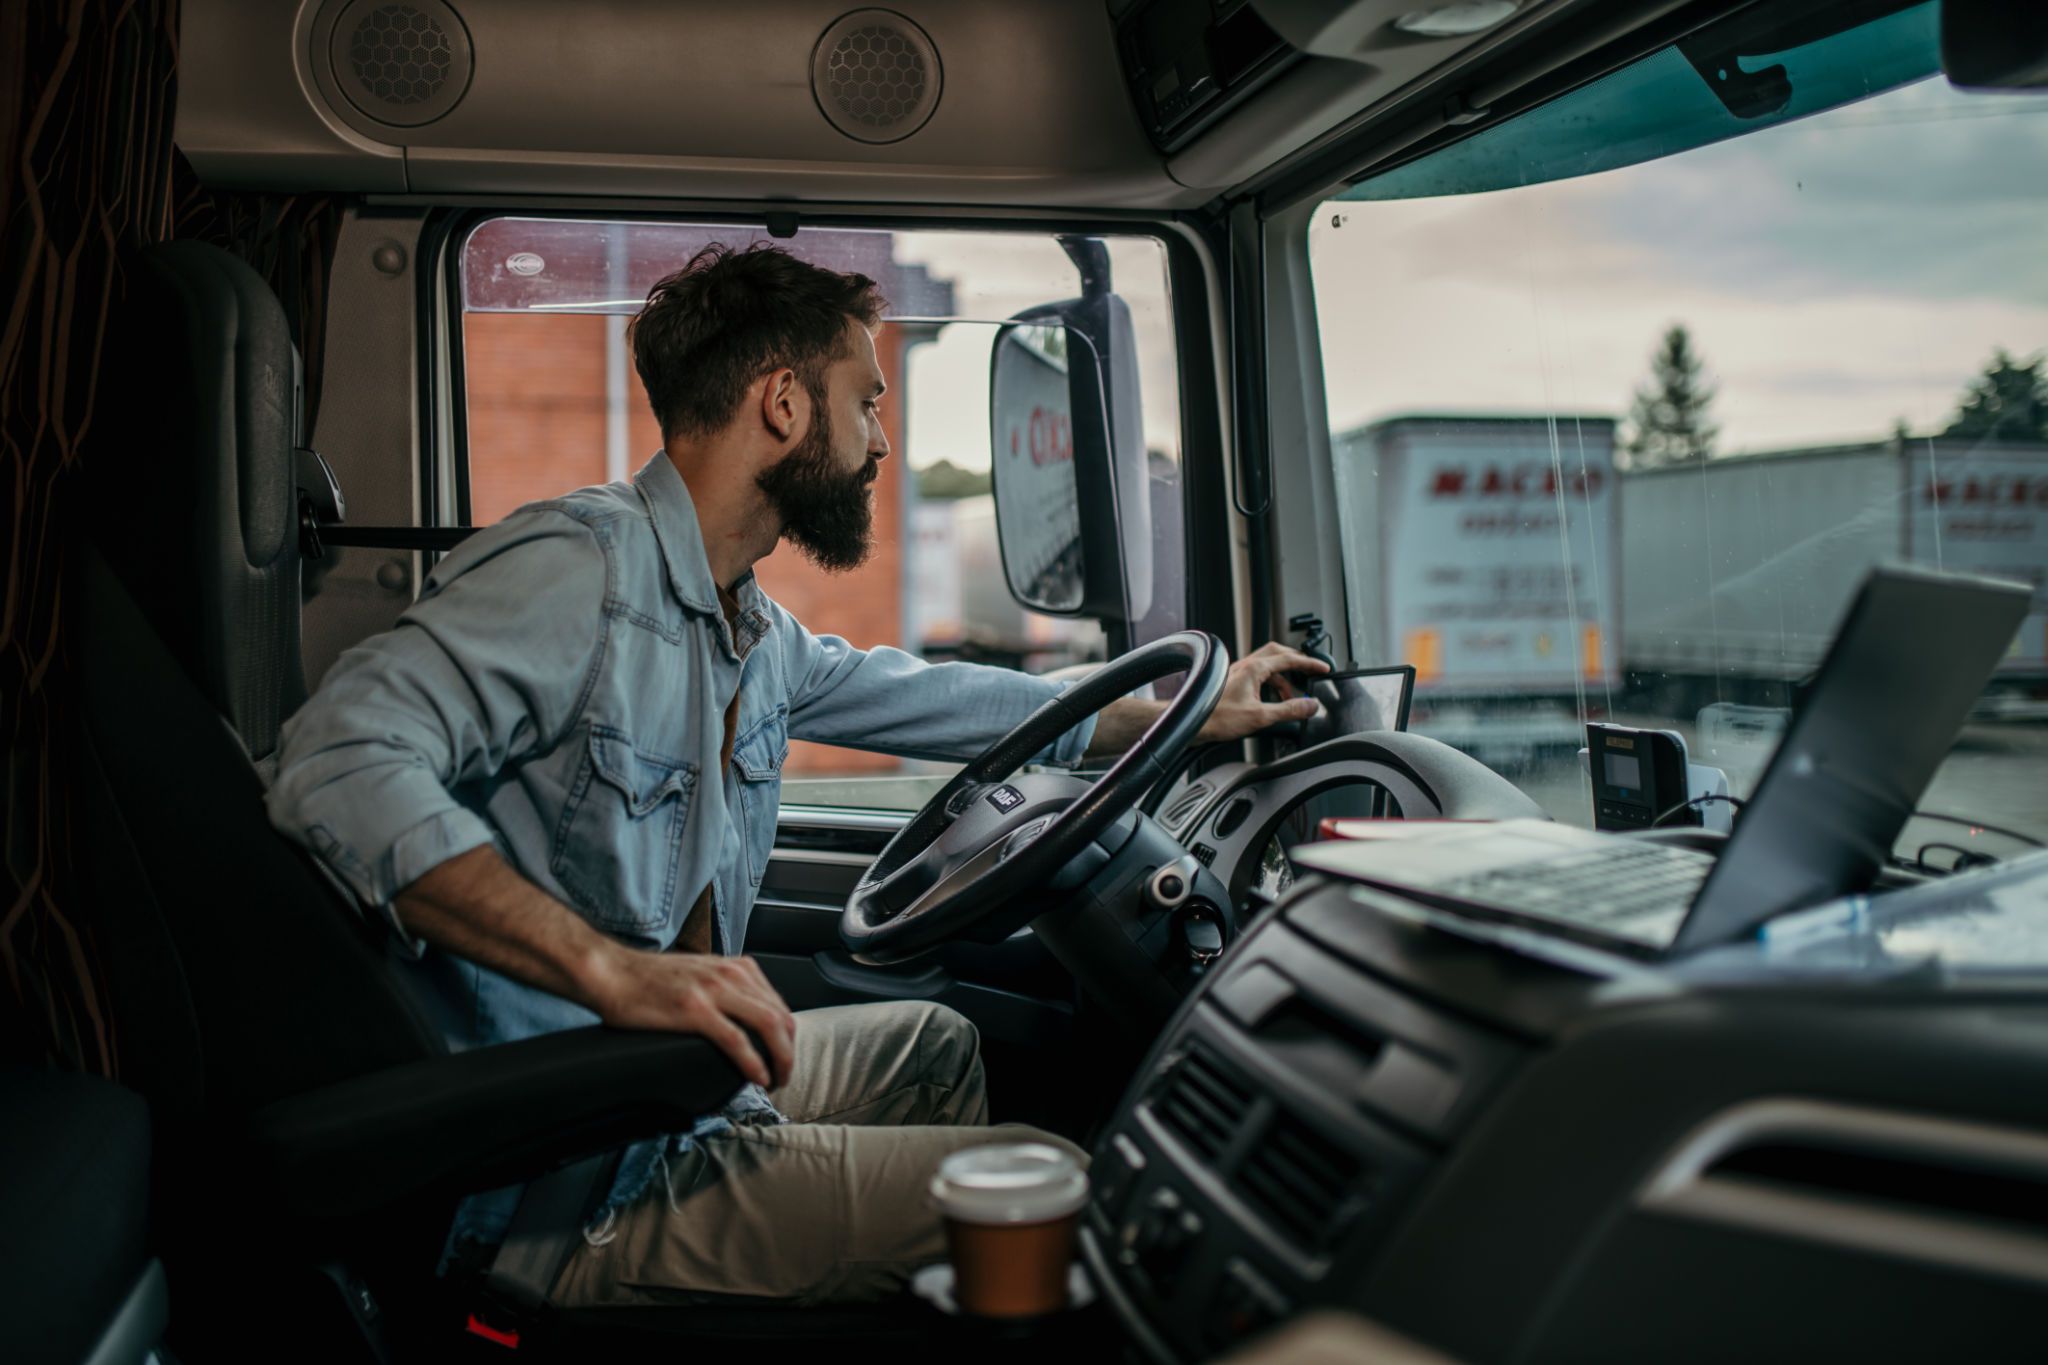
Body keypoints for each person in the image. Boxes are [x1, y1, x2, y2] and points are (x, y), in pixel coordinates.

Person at [267, 242, 1327, 1307]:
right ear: (781, 405)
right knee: (1075, 1194)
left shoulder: (747, 627)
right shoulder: (579, 571)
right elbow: (338, 757)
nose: (878, 439)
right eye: (864, 401)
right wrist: (610, 971)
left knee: (935, 1042)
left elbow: (948, 701)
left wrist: (1190, 715)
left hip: (666, 1095)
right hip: (565, 1169)